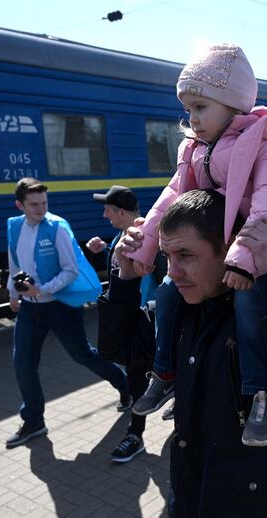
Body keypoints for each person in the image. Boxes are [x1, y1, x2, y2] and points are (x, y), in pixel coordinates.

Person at [119, 189, 267, 518]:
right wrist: (125, 279)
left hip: (265, 516)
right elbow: (120, 353)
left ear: (229, 248)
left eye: (186, 255)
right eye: (166, 256)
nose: (173, 272)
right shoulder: (184, 307)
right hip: (194, 506)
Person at [125, 44, 267, 446]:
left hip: (265, 249)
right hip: (221, 249)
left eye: (201, 106)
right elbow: (172, 200)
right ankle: (165, 372)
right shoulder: (195, 149)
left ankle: (263, 393)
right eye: (188, 109)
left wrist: (245, 259)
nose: (193, 119)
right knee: (168, 292)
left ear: (233, 103)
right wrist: (145, 247)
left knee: (247, 303)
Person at [4, 178, 129, 448]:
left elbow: (70, 270)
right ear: (20, 205)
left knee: (81, 354)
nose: (40, 209)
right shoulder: (14, 227)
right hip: (30, 309)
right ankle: (34, 421)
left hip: (59, 305)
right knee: (23, 363)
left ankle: (124, 383)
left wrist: (42, 290)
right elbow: (14, 264)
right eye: (34, 205)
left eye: (44, 203)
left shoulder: (58, 227)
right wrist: (14, 293)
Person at [87, 185, 166, 462]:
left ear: (120, 211)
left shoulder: (149, 238)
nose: (105, 215)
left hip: (147, 321)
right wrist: (106, 249)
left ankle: (135, 434)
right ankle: (137, 432)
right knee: (137, 379)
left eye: (108, 210)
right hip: (130, 318)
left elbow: (163, 277)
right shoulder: (125, 236)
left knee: (140, 379)